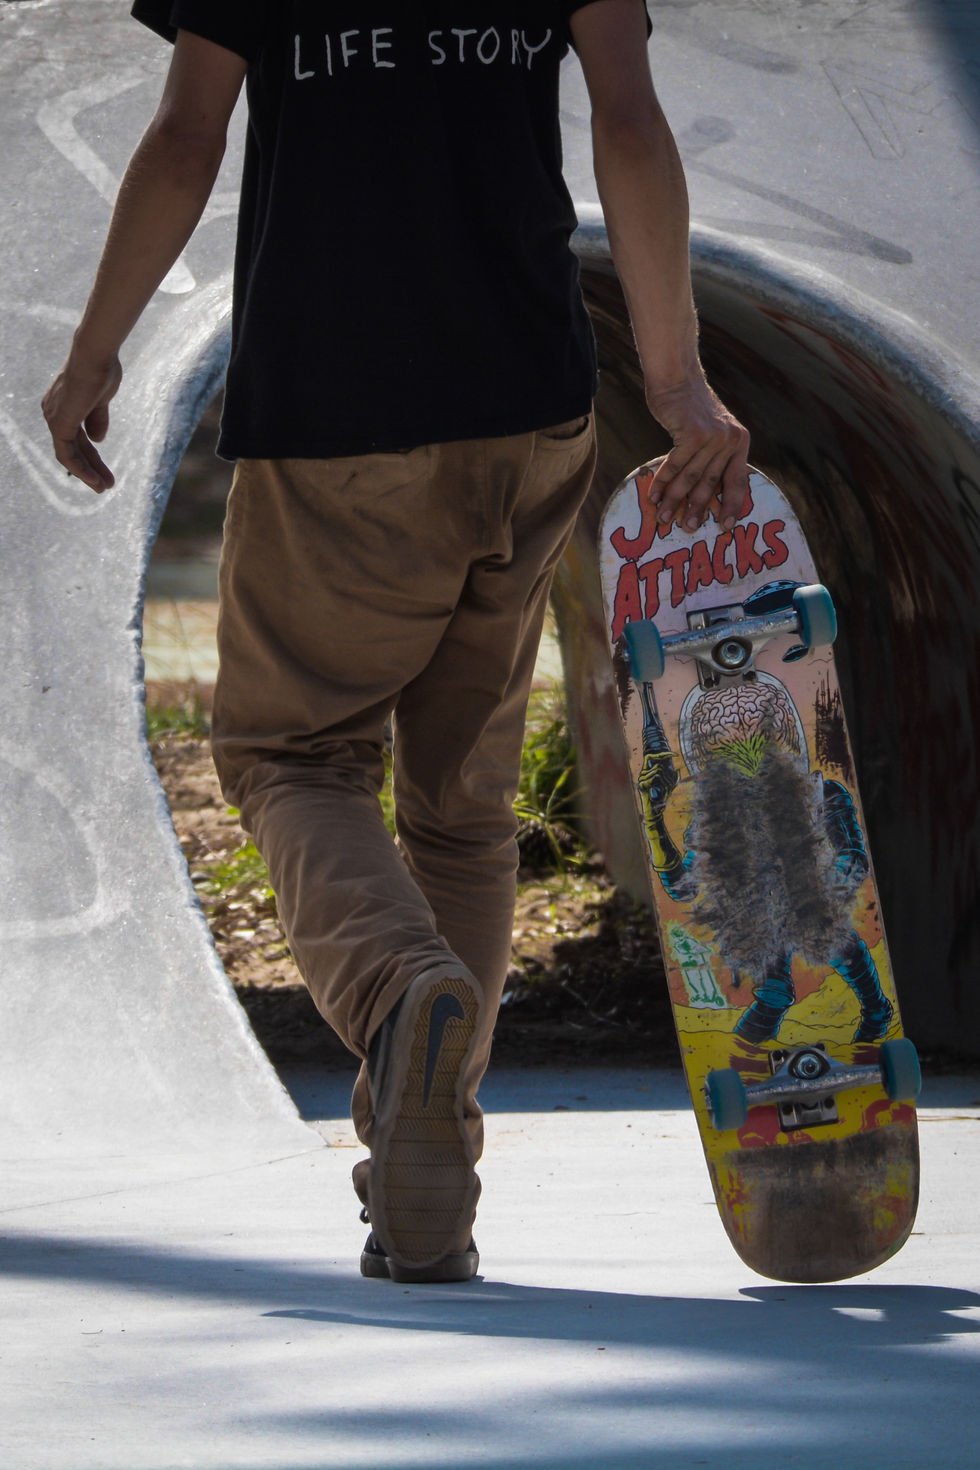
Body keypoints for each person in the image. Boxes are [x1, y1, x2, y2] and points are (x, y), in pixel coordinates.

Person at [42, 1, 750, 1283]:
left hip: (337, 413)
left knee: (288, 753)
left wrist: (98, 351)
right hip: (529, 404)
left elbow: (186, 135)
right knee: (460, 810)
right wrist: (675, 376)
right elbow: (630, 126)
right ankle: (429, 1184)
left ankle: (393, 998)